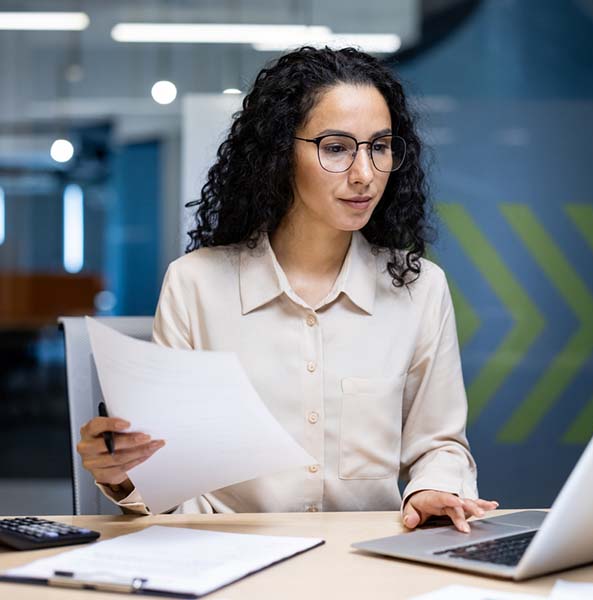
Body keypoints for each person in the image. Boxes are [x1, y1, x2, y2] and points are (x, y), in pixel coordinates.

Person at [76, 46, 497, 533]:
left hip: (368, 565)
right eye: (336, 148)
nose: (364, 174)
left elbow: (440, 444)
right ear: (280, 152)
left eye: (380, 146)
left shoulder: (420, 288)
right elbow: (171, 475)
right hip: (226, 562)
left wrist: (432, 488)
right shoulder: (195, 284)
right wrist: (126, 475)